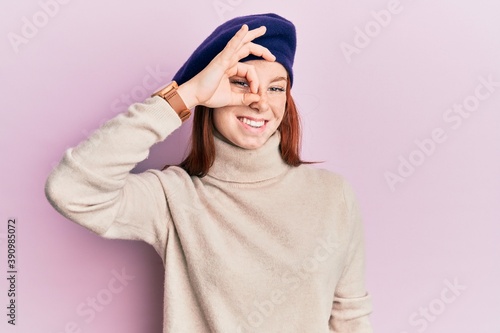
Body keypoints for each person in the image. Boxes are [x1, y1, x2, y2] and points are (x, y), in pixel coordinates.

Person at [45, 13, 373, 333]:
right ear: (211, 94)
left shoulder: (333, 195)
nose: (260, 102)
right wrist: (185, 96)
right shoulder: (173, 198)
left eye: (276, 88)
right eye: (241, 83)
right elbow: (71, 189)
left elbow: (350, 316)